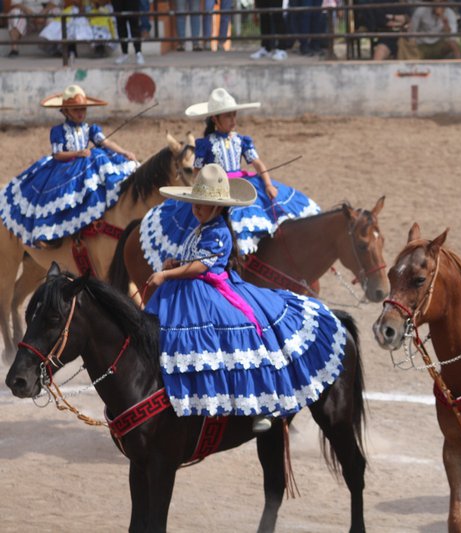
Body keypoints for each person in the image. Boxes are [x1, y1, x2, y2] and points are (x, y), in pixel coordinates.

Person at [144, 163, 347, 432]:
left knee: (243, 332)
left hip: (211, 289)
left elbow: (202, 267)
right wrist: (175, 262)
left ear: (218, 208)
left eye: (202, 205)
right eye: (195, 204)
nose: (196, 210)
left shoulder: (219, 231)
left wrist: (167, 276)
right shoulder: (200, 229)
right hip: (189, 290)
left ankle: (264, 403)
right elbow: (193, 260)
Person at [139, 87, 320, 272]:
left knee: (257, 220)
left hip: (241, 184)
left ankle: (252, 262)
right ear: (215, 119)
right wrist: (204, 189)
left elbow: (257, 163)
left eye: (234, 115)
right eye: (228, 116)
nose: (233, 120)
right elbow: (197, 171)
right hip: (217, 188)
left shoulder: (242, 140)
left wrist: (267, 183)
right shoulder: (206, 143)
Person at [0, 84, 138, 249]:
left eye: (83, 109)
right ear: (65, 111)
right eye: (76, 110)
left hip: (83, 165)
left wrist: (124, 152)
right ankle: (50, 233)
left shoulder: (90, 129)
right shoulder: (58, 131)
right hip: (63, 168)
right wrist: (78, 153)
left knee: (99, 167)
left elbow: (106, 142)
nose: (81, 113)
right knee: (59, 195)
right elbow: (57, 154)